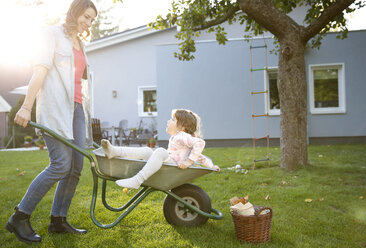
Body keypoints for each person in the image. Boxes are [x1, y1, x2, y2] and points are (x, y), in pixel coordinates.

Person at [5, 0, 97, 244]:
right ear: (76, 12)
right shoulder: (51, 34)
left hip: (77, 110)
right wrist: (26, 106)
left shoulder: (80, 43)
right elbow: (40, 70)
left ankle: (58, 220)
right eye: (86, 16)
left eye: (92, 19)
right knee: (60, 164)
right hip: (56, 108)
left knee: (76, 165)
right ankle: (20, 216)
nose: (88, 22)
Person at [101, 109, 220, 189]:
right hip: (168, 166)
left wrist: (189, 162)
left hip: (171, 167)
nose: (169, 121)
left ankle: (137, 180)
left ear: (183, 127)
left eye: (173, 120)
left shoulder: (183, 136)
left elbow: (200, 143)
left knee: (160, 151)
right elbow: (199, 156)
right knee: (148, 151)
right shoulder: (178, 138)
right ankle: (114, 151)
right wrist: (211, 166)